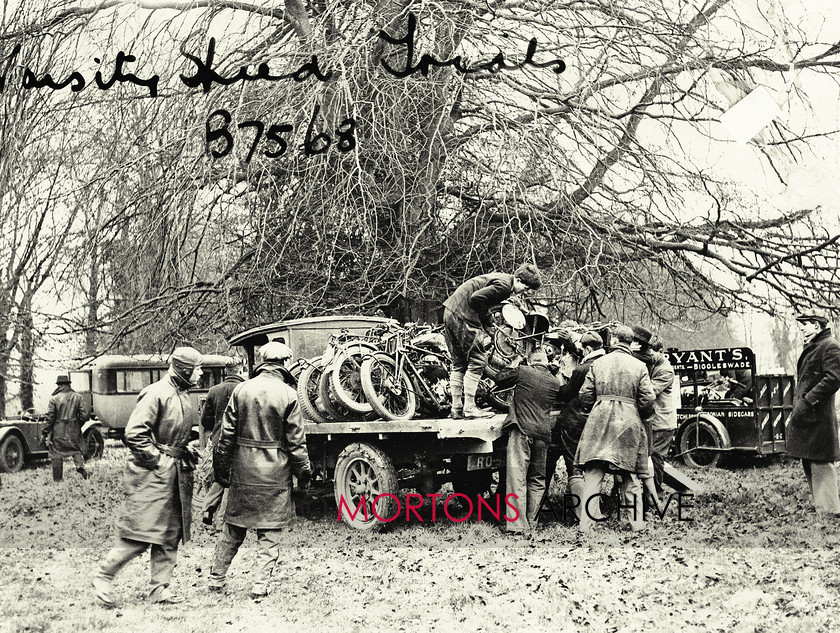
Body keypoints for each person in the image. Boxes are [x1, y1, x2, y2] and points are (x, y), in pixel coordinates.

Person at [92, 347, 204, 608]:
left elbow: (171, 433)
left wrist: (183, 447)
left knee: (170, 533)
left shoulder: (183, 394)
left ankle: (159, 589)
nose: (201, 373)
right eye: (197, 368)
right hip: (151, 475)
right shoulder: (156, 394)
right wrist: (158, 460)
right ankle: (104, 573)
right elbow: (134, 434)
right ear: (185, 369)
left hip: (175, 473)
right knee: (142, 534)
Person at [209, 341, 312, 599]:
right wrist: (305, 472)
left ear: (263, 361)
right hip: (275, 473)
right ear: (284, 363)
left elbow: (226, 437)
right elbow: (296, 442)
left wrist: (222, 469)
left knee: (233, 529)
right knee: (270, 533)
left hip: (243, 470)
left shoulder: (241, 390)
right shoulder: (289, 394)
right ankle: (259, 585)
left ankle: (216, 578)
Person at [576, 325, 656, 532]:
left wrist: (593, 409)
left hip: (599, 419)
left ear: (612, 340)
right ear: (631, 343)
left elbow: (585, 394)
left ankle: (586, 524)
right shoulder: (639, 366)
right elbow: (648, 399)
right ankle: (636, 523)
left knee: (594, 473)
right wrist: (640, 414)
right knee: (630, 474)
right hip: (628, 421)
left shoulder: (599, 363)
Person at [442, 264, 542, 419]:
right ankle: (469, 408)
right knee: (478, 360)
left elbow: (484, 295)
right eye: (526, 287)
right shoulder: (504, 285)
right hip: (463, 315)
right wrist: (489, 320)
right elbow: (477, 298)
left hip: (450, 311)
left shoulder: (503, 281)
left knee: (459, 362)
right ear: (518, 280)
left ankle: (456, 408)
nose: (527, 292)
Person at [501, 349, 562, 535]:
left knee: (516, 477)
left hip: (522, 431)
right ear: (545, 362)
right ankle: (531, 522)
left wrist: (515, 363)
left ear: (530, 360)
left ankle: (517, 526)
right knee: (537, 479)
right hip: (543, 435)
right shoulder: (554, 381)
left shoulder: (523, 371)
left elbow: (499, 378)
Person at [547, 331, 606, 523]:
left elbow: (566, 393)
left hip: (573, 422)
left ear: (588, 349)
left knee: (574, 467)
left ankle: (582, 515)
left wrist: (551, 382)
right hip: (595, 421)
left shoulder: (583, 369)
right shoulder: (606, 364)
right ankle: (592, 510)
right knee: (592, 467)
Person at [787, 308, 840, 514]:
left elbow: (834, 378)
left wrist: (808, 401)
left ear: (816, 326)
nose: (802, 330)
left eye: (805, 326)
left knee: (821, 461)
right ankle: (822, 507)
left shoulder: (830, 346)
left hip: (818, 416)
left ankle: (829, 511)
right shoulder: (817, 346)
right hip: (810, 416)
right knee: (809, 460)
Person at [198, 356, 246, 527]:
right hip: (238, 443)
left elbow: (205, 421)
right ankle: (221, 521)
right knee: (232, 482)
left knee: (220, 478)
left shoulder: (214, 390)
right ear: (241, 370)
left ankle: (207, 509)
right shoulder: (244, 389)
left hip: (218, 442)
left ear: (226, 371)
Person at [631, 326, 677, 495]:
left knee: (656, 457)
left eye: (652, 351)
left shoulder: (665, 370)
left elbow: (650, 391)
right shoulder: (652, 364)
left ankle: (656, 492)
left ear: (661, 351)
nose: (649, 355)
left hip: (662, 422)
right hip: (653, 420)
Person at [41, 374, 90, 482]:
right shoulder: (78, 397)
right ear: (68, 384)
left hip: (58, 430)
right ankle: (80, 466)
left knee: (56, 452)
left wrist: (45, 431)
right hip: (74, 429)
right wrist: (77, 424)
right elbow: (85, 416)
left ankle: (58, 479)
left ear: (59, 385)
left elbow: (50, 418)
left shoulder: (54, 398)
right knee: (76, 449)